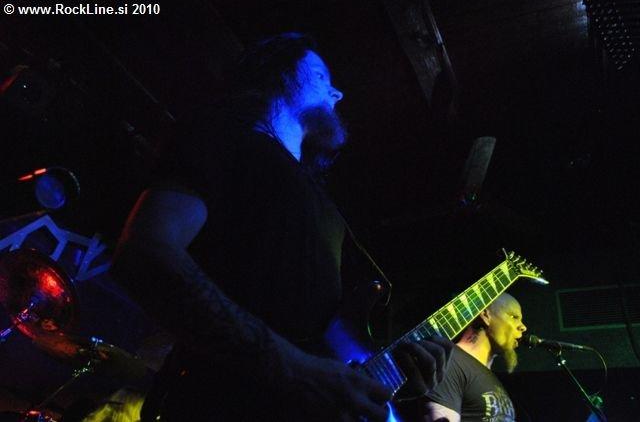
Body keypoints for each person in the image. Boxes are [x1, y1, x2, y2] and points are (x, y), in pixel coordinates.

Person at [111, 32, 452, 421]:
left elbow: (328, 347)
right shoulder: (228, 137)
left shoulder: (323, 207)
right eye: (321, 77)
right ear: (279, 75)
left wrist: (391, 375)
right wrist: (298, 371)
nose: (338, 93)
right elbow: (145, 251)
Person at [421, 293, 526, 422]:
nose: (523, 327)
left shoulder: (493, 379)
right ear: (485, 315)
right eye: (514, 317)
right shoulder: (449, 360)